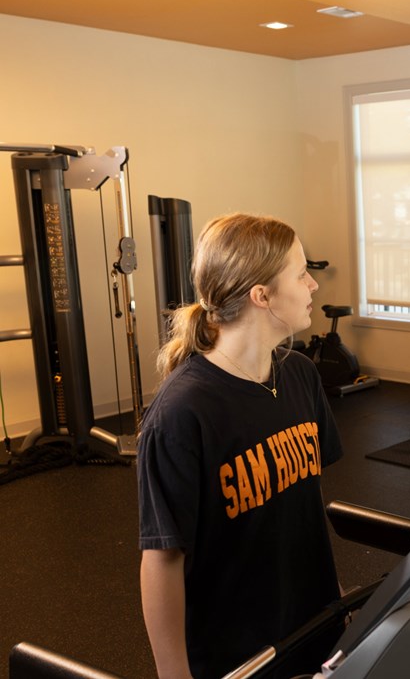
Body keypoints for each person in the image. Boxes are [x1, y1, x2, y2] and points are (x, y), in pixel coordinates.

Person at [137, 213, 344, 678]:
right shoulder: (181, 414)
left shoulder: (299, 376)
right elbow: (162, 558)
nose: (313, 285)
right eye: (301, 273)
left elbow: (300, 507)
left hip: (313, 630)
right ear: (261, 295)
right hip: (238, 655)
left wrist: (332, 600)